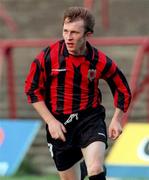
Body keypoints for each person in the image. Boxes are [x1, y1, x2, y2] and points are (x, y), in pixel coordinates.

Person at [24, 6, 131, 180]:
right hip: (60, 124)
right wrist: (50, 121)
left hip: (90, 118)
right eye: (65, 31)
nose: (68, 37)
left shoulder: (99, 60)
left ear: (88, 35)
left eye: (74, 32)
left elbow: (122, 87)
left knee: (95, 169)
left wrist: (117, 119)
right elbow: (31, 89)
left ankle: (91, 165)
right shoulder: (47, 57)